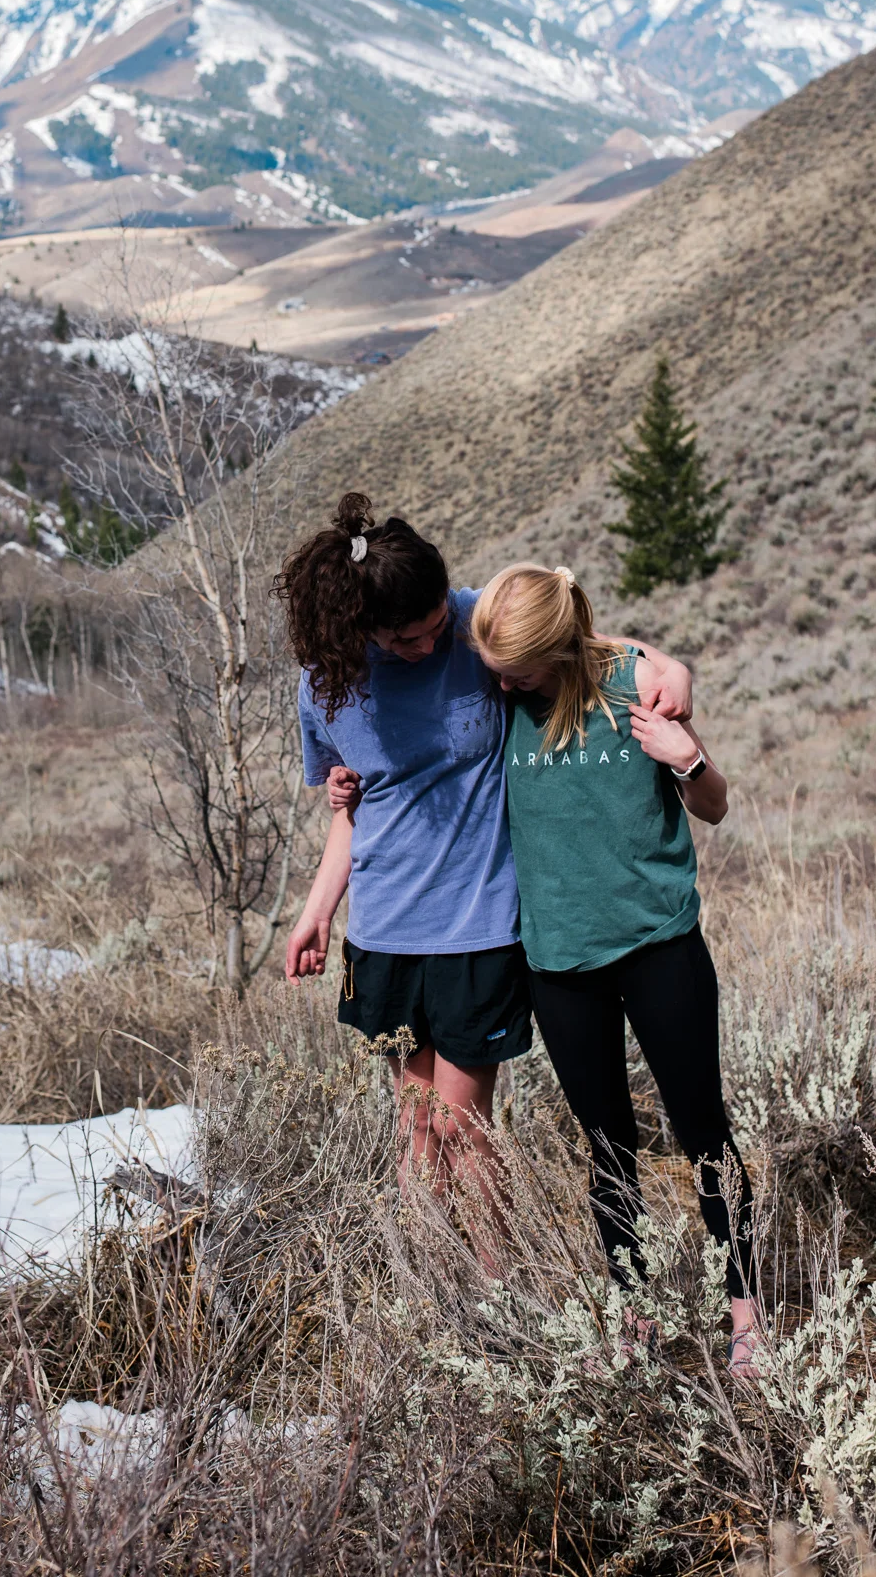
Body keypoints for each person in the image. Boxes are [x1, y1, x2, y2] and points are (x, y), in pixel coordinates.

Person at [276, 494, 692, 1237]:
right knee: (416, 1128)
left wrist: (669, 665)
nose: (429, 645)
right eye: (406, 639)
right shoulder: (327, 682)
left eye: (439, 625)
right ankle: (440, 1291)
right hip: (383, 932)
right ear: (360, 627)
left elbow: (575, 635)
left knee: (463, 1126)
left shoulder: (470, 624)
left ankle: (501, 1291)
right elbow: (352, 811)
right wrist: (316, 914)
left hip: (478, 928)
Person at [469, 560, 761, 1376]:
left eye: (518, 671)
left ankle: (746, 1314)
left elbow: (713, 805)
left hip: (660, 947)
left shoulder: (637, 687)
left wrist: (684, 756)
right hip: (559, 963)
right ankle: (635, 1316)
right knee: (607, 1148)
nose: (502, 684)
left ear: (558, 650)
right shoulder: (499, 698)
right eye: (495, 670)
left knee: (702, 1132)